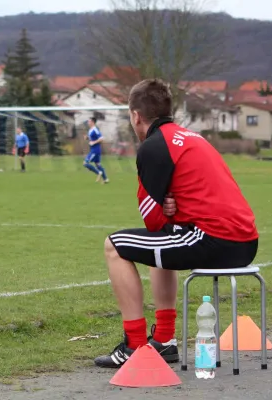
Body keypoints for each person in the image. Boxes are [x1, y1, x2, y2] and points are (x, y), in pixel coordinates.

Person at [94, 79, 259, 368]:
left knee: (116, 246)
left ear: (135, 115)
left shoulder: (153, 146)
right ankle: (164, 341)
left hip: (212, 239)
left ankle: (134, 346)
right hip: (246, 242)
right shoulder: (194, 138)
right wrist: (175, 213)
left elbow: (153, 221)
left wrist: (169, 211)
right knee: (158, 247)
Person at [83, 117, 109, 184]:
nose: (88, 122)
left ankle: (98, 172)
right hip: (95, 149)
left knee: (85, 163)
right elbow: (92, 138)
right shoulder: (90, 130)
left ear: (92, 122)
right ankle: (105, 179)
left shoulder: (95, 129)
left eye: (89, 121)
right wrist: (87, 138)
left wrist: (93, 142)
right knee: (98, 164)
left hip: (95, 150)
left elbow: (101, 138)